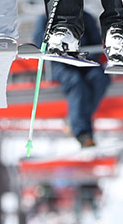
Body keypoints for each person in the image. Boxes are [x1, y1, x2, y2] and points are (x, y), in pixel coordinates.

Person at [33, 11, 111, 147]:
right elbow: (40, 44)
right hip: (59, 64)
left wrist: (83, 55)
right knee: (76, 82)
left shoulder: (85, 17)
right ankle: (82, 131)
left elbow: (96, 42)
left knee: (100, 77)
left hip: (84, 61)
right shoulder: (45, 18)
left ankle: (78, 124)